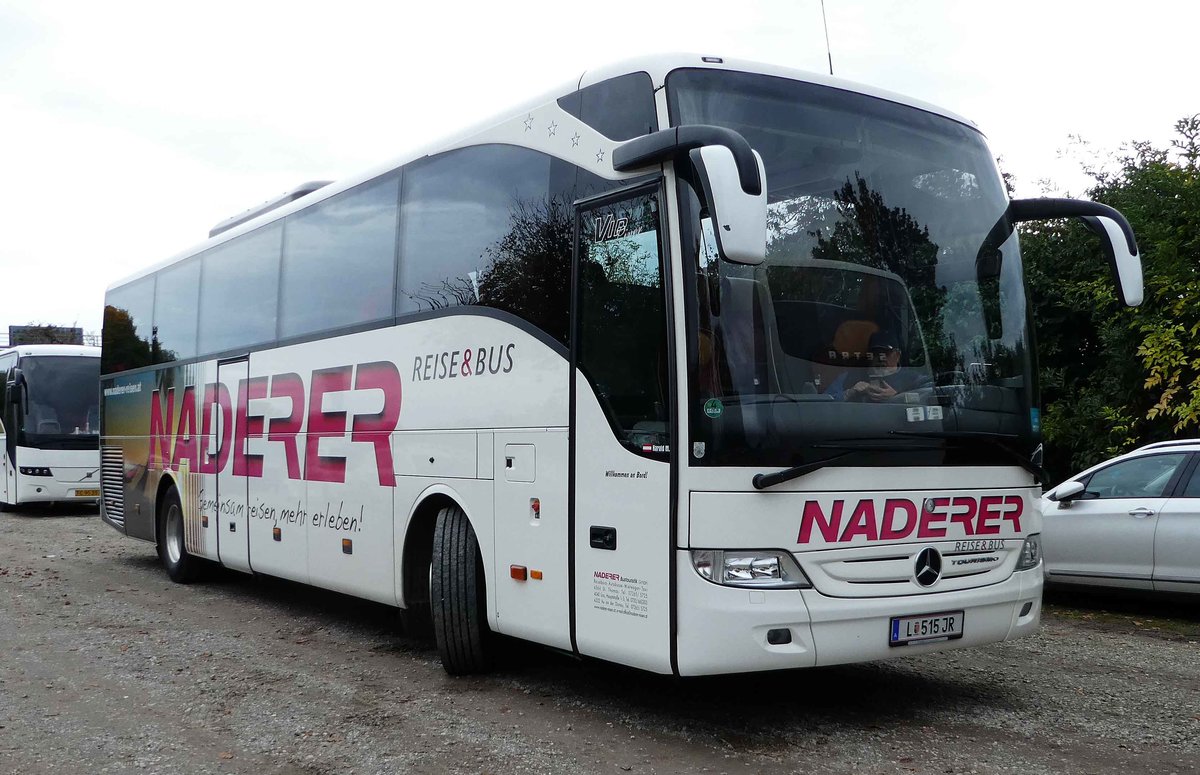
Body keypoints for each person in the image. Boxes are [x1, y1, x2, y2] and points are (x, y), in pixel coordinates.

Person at [826, 330, 927, 402]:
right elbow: (824, 401)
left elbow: (929, 398)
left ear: (897, 355)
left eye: (885, 353)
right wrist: (849, 393)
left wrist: (897, 396)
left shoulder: (914, 379)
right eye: (875, 353)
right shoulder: (850, 377)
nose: (880, 358)